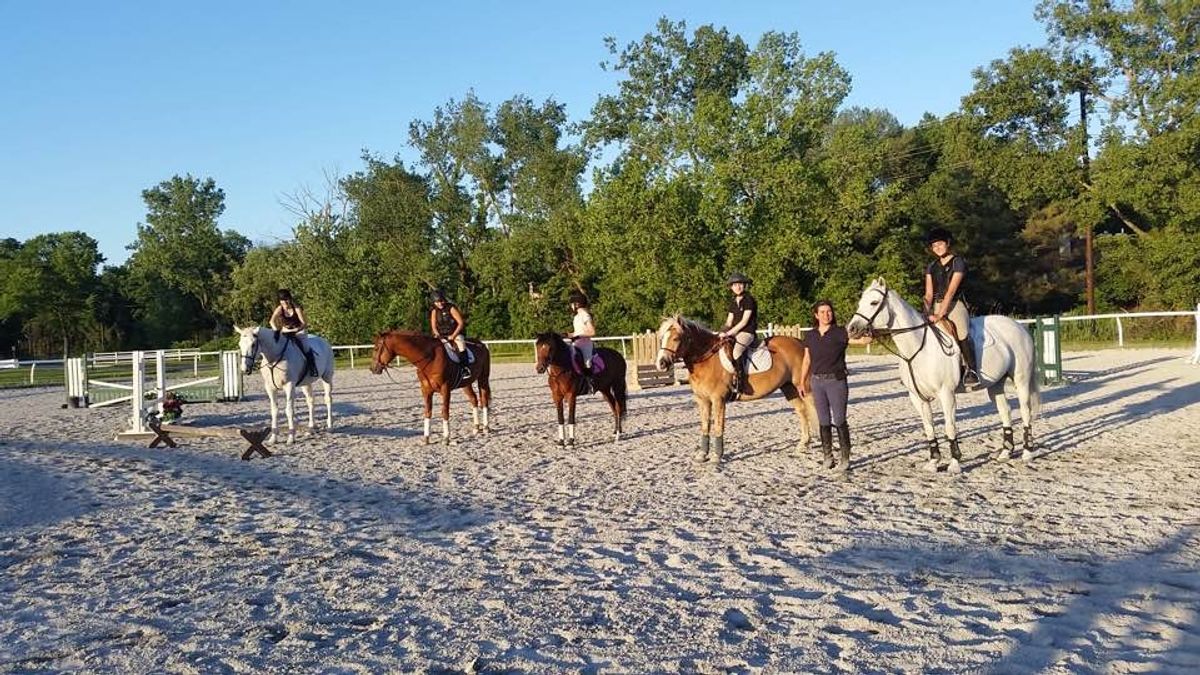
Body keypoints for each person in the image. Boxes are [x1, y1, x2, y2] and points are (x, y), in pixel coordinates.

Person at [802, 300, 873, 472]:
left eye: (829, 311)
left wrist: (870, 331)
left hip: (836, 382)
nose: (827, 314)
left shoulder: (840, 332)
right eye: (823, 312)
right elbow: (807, 359)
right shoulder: (810, 335)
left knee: (840, 420)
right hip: (817, 382)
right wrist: (802, 381)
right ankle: (827, 456)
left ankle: (845, 458)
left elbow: (863, 341)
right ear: (816, 315)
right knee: (823, 421)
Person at [923, 228, 979, 388]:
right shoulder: (931, 266)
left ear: (947, 243)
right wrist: (927, 312)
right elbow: (928, 294)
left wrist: (940, 314)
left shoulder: (958, 262)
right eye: (934, 246)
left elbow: (951, 291)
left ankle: (971, 369)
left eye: (940, 244)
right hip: (935, 305)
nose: (937, 248)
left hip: (955, 305)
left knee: (961, 332)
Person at [717, 272, 758, 395]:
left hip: (746, 332)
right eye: (735, 285)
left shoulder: (749, 300)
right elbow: (729, 322)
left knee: (736, 351)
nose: (737, 287)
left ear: (744, 285)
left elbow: (744, 322)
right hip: (734, 332)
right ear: (731, 287)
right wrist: (721, 332)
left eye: (740, 284)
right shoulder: (733, 302)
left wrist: (729, 333)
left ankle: (741, 382)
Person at [269, 289, 318, 377]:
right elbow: (271, 321)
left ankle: (312, 368)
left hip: (298, 331)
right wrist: (276, 330)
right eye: (282, 301)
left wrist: (297, 330)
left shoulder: (297, 308)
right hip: (285, 331)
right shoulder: (279, 308)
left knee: (306, 348)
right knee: (276, 347)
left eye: (286, 300)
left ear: (290, 299)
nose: (285, 303)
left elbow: (304, 323)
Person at [429, 289, 468, 360]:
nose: (439, 303)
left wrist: (453, 335)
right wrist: (438, 335)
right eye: (437, 302)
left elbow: (460, 323)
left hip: (454, 334)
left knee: (461, 345)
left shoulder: (451, 308)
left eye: (441, 301)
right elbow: (434, 326)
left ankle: (465, 367)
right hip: (441, 335)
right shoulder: (434, 311)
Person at [566, 291, 596, 376]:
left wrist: (578, 335)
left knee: (587, 364)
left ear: (577, 304)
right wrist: (569, 334)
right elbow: (578, 331)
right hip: (575, 344)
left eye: (572, 304)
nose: (571, 306)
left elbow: (592, 332)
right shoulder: (576, 317)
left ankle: (590, 383)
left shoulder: (585, 315)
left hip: (585, 345)